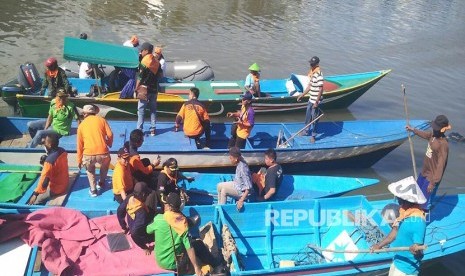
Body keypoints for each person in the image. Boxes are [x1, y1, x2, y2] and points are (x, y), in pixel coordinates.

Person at [147, 192, 221, 275]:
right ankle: (217, 264)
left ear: (169, 207)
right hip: (174, 264)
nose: (164, 205)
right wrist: (197, 267)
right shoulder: (182, 222)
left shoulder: (158, 219)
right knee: (198, 244)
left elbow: (148, 230)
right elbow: (189, 247)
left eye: (165, 203)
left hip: (160, 261)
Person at [370, 176, 427, 276]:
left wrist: (416, 250)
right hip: (397, 260)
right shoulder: (403, 212)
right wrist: (379, 245)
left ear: (409, 200)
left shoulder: (418, 221)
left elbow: (419, 250)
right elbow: (394, 233)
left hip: (406, 269)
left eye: (400, 200)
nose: (398, 202)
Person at [406, 115, 451, 210]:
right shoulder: (433, 135)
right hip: (424, 172)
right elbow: (425, 135)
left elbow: (440, 166)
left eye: (436, 129)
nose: (434, 130)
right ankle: (415, 209)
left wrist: (433, 183)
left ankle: (424, 216)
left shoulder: (443, 145)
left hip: (432, 177)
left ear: (443, 130)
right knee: (418, 191)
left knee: (425, 201)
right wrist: (413, 129)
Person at [77, 104, 113, 197]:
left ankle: (93, 190)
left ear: (85, 114)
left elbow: (80, 145)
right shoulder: (102, 120)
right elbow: (110, 134)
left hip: (88, 153)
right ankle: (101, 182)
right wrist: (109, 143)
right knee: (104, 167)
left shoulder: (81, 125)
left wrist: (79, 160)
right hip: (103, 152)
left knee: (90, 170)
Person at [27, 133, 69, 205]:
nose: (44, 144)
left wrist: (35, 194)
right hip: (65, 182)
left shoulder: (49, 162)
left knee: (36, 200)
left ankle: (35, 205)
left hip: (57, 188)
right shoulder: (63, 151)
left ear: (49, 145)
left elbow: (44, 180)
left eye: (45, 142)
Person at [117, 181, 157, 254]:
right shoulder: (142, 213)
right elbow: (134, 233)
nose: (148, 195)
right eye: (147, 194)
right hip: (142, 234)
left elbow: (119, 211)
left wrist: (124, 226)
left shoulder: (129, 197)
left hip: (132, 223)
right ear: (144, 194)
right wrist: (144, 247)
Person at [136, 42, 161, 136]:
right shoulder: (156, 62)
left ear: (146, 51)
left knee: (141, 110)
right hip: (154, 89)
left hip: (144, 90)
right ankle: (153, 129)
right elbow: (160, 74)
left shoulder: (144, 62)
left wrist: (136, 88)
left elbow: (140, 77)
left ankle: (139, 129)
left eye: (142, 50)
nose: (141, 52)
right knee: (153, 110)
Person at [297, 56, 324, 143]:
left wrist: (317, 102)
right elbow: (309, 86)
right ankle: (305, 131)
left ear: (316, 64)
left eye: (312, 64)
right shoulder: (312, 73)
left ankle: (313, 135)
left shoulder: (319, 74)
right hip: (310, 99)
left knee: (315, 119)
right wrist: (302, 94)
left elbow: (321, 89)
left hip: (316, 101)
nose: (310, 65)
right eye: (310, 63)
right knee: (308, 117)